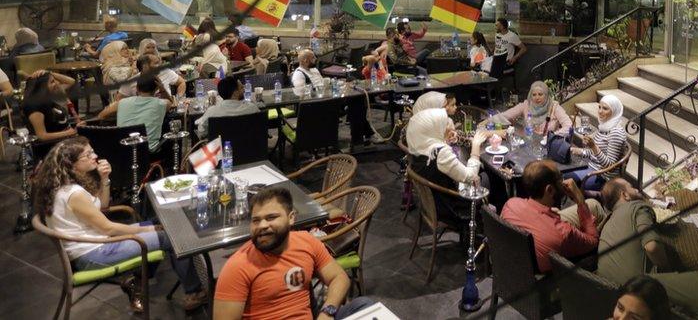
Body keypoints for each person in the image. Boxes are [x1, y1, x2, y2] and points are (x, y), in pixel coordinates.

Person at [34, 138, 207, 312]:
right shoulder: (73, 194)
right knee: (174, 237)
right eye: (88, 154)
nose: (95, 156)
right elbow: (108, 228)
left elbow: (102, 206)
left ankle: (137, 281)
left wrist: (104, 178)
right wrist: (146, 229)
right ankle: (194, 292)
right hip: (94, 253)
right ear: (72, 164)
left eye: (92, 151)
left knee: (162, 222)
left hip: (93, 245)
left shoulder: (63, 185)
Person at [214, 187, 373, 319]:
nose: (262, 225)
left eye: (271, 217)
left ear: (291, 218)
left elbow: (339, 277)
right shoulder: (237, 266)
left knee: (364, 305)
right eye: (256, 220)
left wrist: (328, 312)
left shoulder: (307, 242)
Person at [500, 159, 605, 272]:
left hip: (516, 266)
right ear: (549, 190)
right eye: (560, 179)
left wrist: (551, 213)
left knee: (593, 205)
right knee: (594, 214)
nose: (564, 182)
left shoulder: (510, 204)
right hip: (551, 274)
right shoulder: (563, 232)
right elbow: (593, 241)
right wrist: (580, 200)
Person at [406, 108, 488, 222]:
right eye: (442, 125)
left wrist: (444, 139)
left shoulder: (419, 146)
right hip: (451, 207)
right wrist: (475, 147)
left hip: (434, 203)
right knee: (486, 177)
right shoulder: (440, 153)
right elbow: (470, 177)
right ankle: (489, 221)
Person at [598, 178, 669, 285]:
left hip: (604, 288)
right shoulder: (637, 207)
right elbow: (652, 247)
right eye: (631, 187)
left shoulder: (606, 223)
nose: (636, 189)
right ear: (625, 195)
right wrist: (668, 269)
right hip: (636, 292)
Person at [97, 76, 173, 154]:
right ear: (156, 89)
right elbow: (171, 103)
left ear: (136, 88)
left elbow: (101, 116)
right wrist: (162, 89)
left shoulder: (122, 102)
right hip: (149, 153)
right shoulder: (161, 104)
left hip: (124, 152)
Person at [569, 95, 628, 191]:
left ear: (614, 111)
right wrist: (575, 150)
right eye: (599, 107)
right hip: (591, 167)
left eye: (605, 108)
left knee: (566, 178)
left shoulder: (615, 133)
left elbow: (609, 166)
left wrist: (594, 147)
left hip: (603, 177)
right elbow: (593, 153)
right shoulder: (605, 127)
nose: (600, 111)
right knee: (561, 171)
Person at [22, 70, 81, 157]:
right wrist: (70, 132)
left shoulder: (51, 94)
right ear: (42, 87)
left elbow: (71, 81)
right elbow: (42, 136)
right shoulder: (34, 106)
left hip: (63, 139)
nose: (57, 83)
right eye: (52, 82)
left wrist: (49, 72)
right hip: (50, 148)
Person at [494, 80, 571, 136]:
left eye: (540, 94)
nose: (537, 98)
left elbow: (568, 126)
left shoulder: (554, 107)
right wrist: (488, 121)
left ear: (546, 95)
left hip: (548, 145)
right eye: (534, 95)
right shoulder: (526, 104)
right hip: (529, 143)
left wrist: (553, 136)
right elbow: (506, 115)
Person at [195, 77, 261, 138]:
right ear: (235, 93)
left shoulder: (212, 112)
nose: (244, 90)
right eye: (241, 88)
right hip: (249, 148)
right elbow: (260, 126)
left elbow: (202, 130)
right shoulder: (252, 108)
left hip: (222, 148)